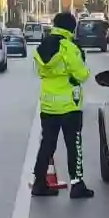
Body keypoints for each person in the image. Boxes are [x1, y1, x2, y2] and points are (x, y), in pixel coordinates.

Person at [33, 12, 94, 199]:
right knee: (73, 145)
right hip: (69, 105)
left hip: (48, 105)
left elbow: (40, 73)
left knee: (47, 145)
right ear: (71, 28)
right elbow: (82, 74)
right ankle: (77, 185)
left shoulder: (42, 46)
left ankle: (40, 182)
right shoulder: (69, 47)